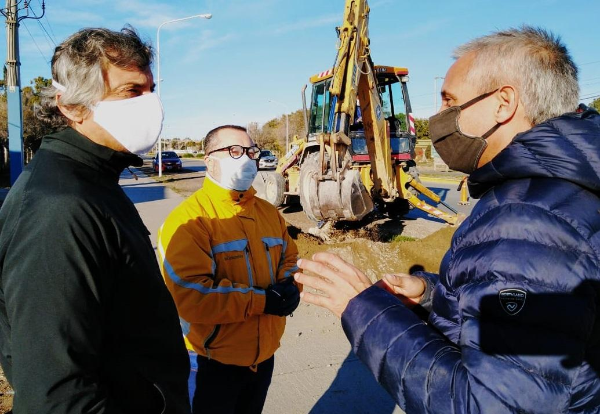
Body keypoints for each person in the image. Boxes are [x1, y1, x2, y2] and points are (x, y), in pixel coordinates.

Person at [294, 26, 600, 413]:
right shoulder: (566, 191)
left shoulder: (527, 221)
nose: (439, 117)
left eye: (449, 100)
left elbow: (486, 404)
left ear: (503, 103)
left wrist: (364, 309)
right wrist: (433, 296)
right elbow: (530, 320)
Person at [0, 27, 190, 413]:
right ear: (71, 106)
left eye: (151, 90)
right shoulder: (59, 208)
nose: (151, 104)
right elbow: (57, 396)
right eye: (131, 92)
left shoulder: (93, 180)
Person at [158, 125, 300, 414]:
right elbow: (191, 296)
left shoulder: (268, 212)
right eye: (234, 151)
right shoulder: (190, 220)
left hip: (263, 357)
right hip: (211, 362)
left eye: (251, 151)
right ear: (209, 159)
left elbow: (290, 259)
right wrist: (264, 301)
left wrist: (291, 286)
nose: (246, 158)